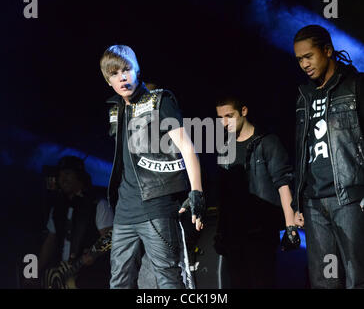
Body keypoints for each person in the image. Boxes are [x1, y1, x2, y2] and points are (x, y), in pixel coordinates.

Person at [100, 45, 205, 289]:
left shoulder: (160, 101)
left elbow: (187, 147)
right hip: (125, 212)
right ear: (108, 80)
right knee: (119, 281)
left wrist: (196, 191)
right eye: (115, 73)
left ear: (136, 70)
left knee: (167, 278)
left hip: (156, 206)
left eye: (126, 69)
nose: (122, 77)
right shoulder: (115, 110)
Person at [292, 24, 364, 289]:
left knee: (358, 276)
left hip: (348, 197)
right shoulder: (303, 96)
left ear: (328, 50)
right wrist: (298, 200)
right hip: (313, 201)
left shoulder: (355, 85)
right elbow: (300, 149)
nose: (304, 64)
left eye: (308, 56)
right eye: (299, 59)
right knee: (324, 281)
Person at [214, 95, 299, 288]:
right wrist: (221, 231)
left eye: (229, 115)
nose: (224, 123)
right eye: (220, 118)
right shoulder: (225, 148)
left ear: (243, 111)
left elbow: (283, 184)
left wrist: (290, 226)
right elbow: (225, 195)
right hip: (234, 233)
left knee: (262, 281)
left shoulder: (267, 142)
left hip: (261, 229)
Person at [37, 156, 114, 289]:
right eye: (60, 175)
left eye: (67, 174)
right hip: (62, 276)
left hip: (91, 278)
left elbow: (110, 237)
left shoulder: (98, 205)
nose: (63, 179)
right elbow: (50, 242)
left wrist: (94, 254)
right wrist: (34, 272)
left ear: (80, 176)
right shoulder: (57, 209)